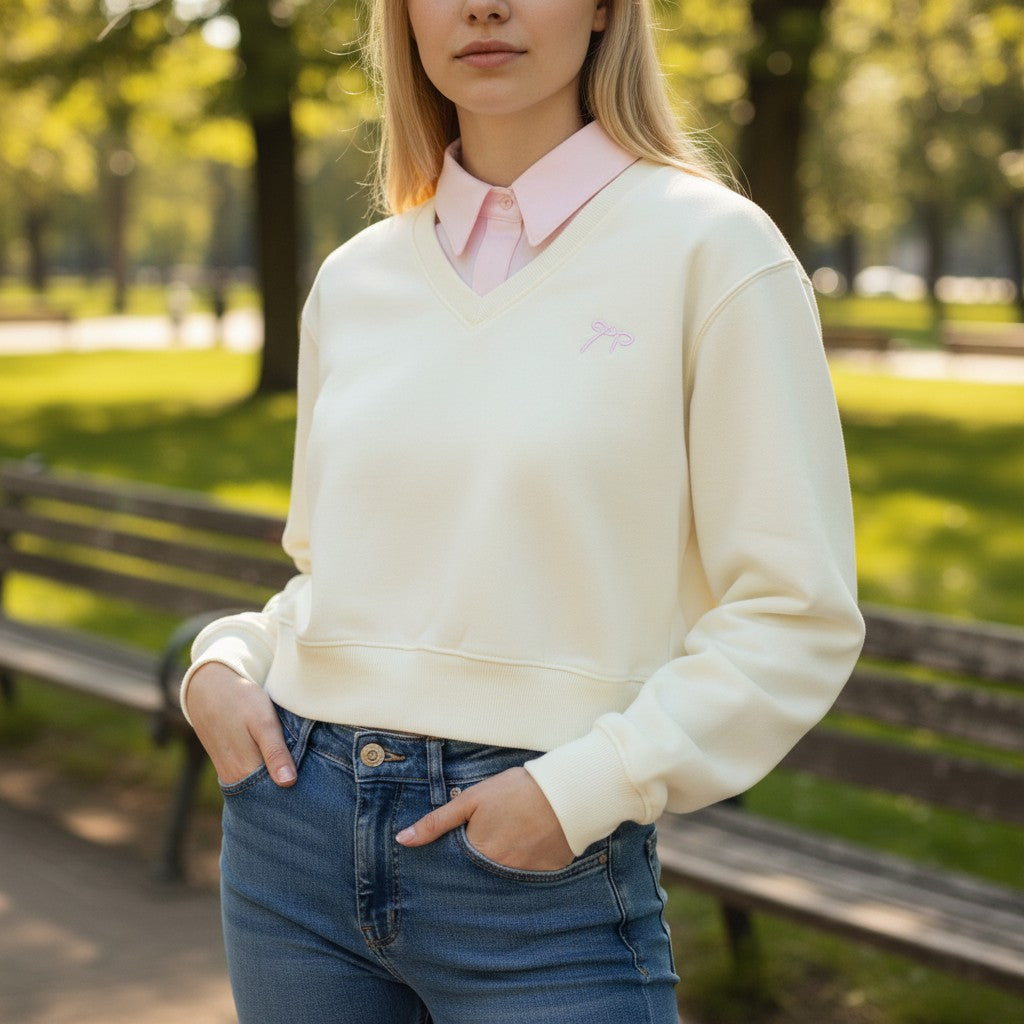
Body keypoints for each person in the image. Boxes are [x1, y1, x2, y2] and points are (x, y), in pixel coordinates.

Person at [181, 1, 865, 1021]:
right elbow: (337, 575)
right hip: (292, 841)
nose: (484, 7)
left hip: (540, 868)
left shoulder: (714, 253)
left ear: (601, 8)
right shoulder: (356, 279)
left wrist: (583, 790)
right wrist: (229, 659)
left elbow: (794, 614)